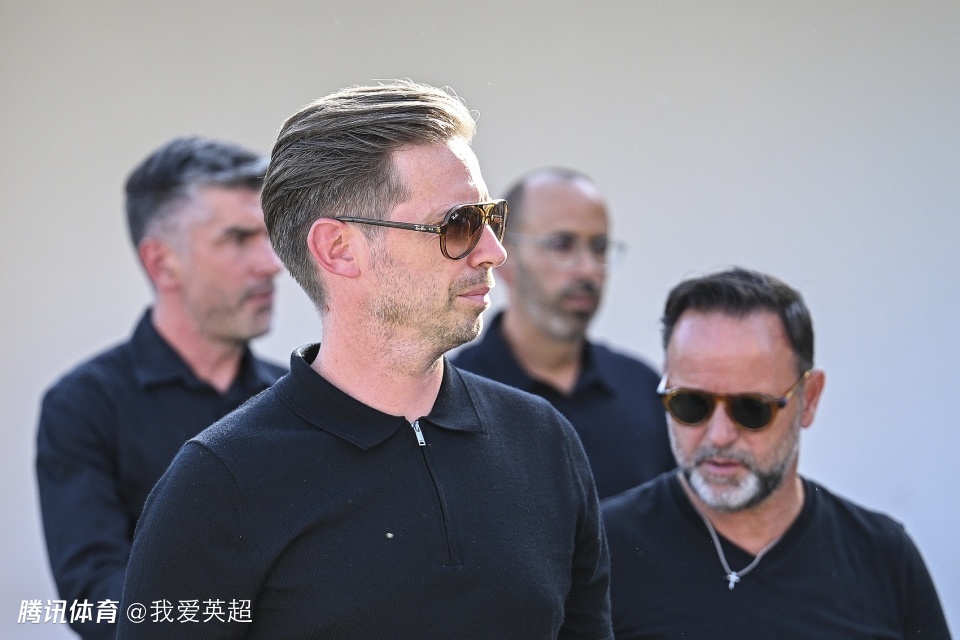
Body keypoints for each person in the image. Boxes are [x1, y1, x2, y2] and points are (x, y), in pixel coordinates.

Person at [116, 81, 612, 639]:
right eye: (458, 224)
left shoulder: (542, 440)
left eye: (490, 218)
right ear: (338, 249)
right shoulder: (219, 483)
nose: (494, 252)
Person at [602, 268, 951, 639]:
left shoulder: (884, 558)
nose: (719, 436)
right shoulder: (602, 551)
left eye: (751, 408)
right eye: (690, 404)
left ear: (809, 399)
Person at [36, 136, 285, 640]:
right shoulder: (85, 407)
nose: (270, 263)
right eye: (239, 238)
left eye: (268, 236)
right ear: (162, 263)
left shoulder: (294, 396)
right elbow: (93, 600)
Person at [454, 168, 674, 498]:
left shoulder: (643, 390)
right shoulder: (454, 398)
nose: (588, 268)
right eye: (562, 245)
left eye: (599, 247)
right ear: (505, 255)